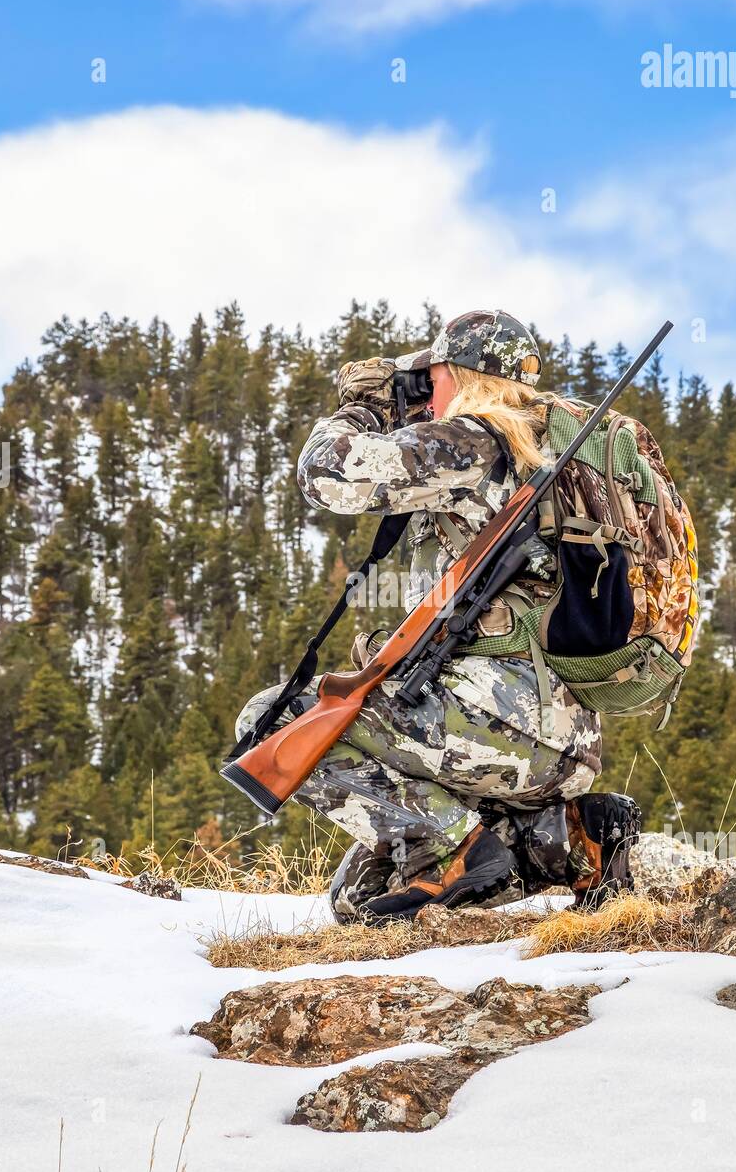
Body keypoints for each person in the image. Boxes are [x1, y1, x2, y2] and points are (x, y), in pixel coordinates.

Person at [236, 310, 640, 922]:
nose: (429, 391)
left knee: (271, 719)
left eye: (436, 376)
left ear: (467, 376)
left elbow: (328, 475)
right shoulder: (541, 454)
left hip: (499, 723)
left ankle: (455, 854)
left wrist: (364, 409)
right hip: (556, 744)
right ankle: (572, 838)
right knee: (357, 901)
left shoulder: (475, 443)